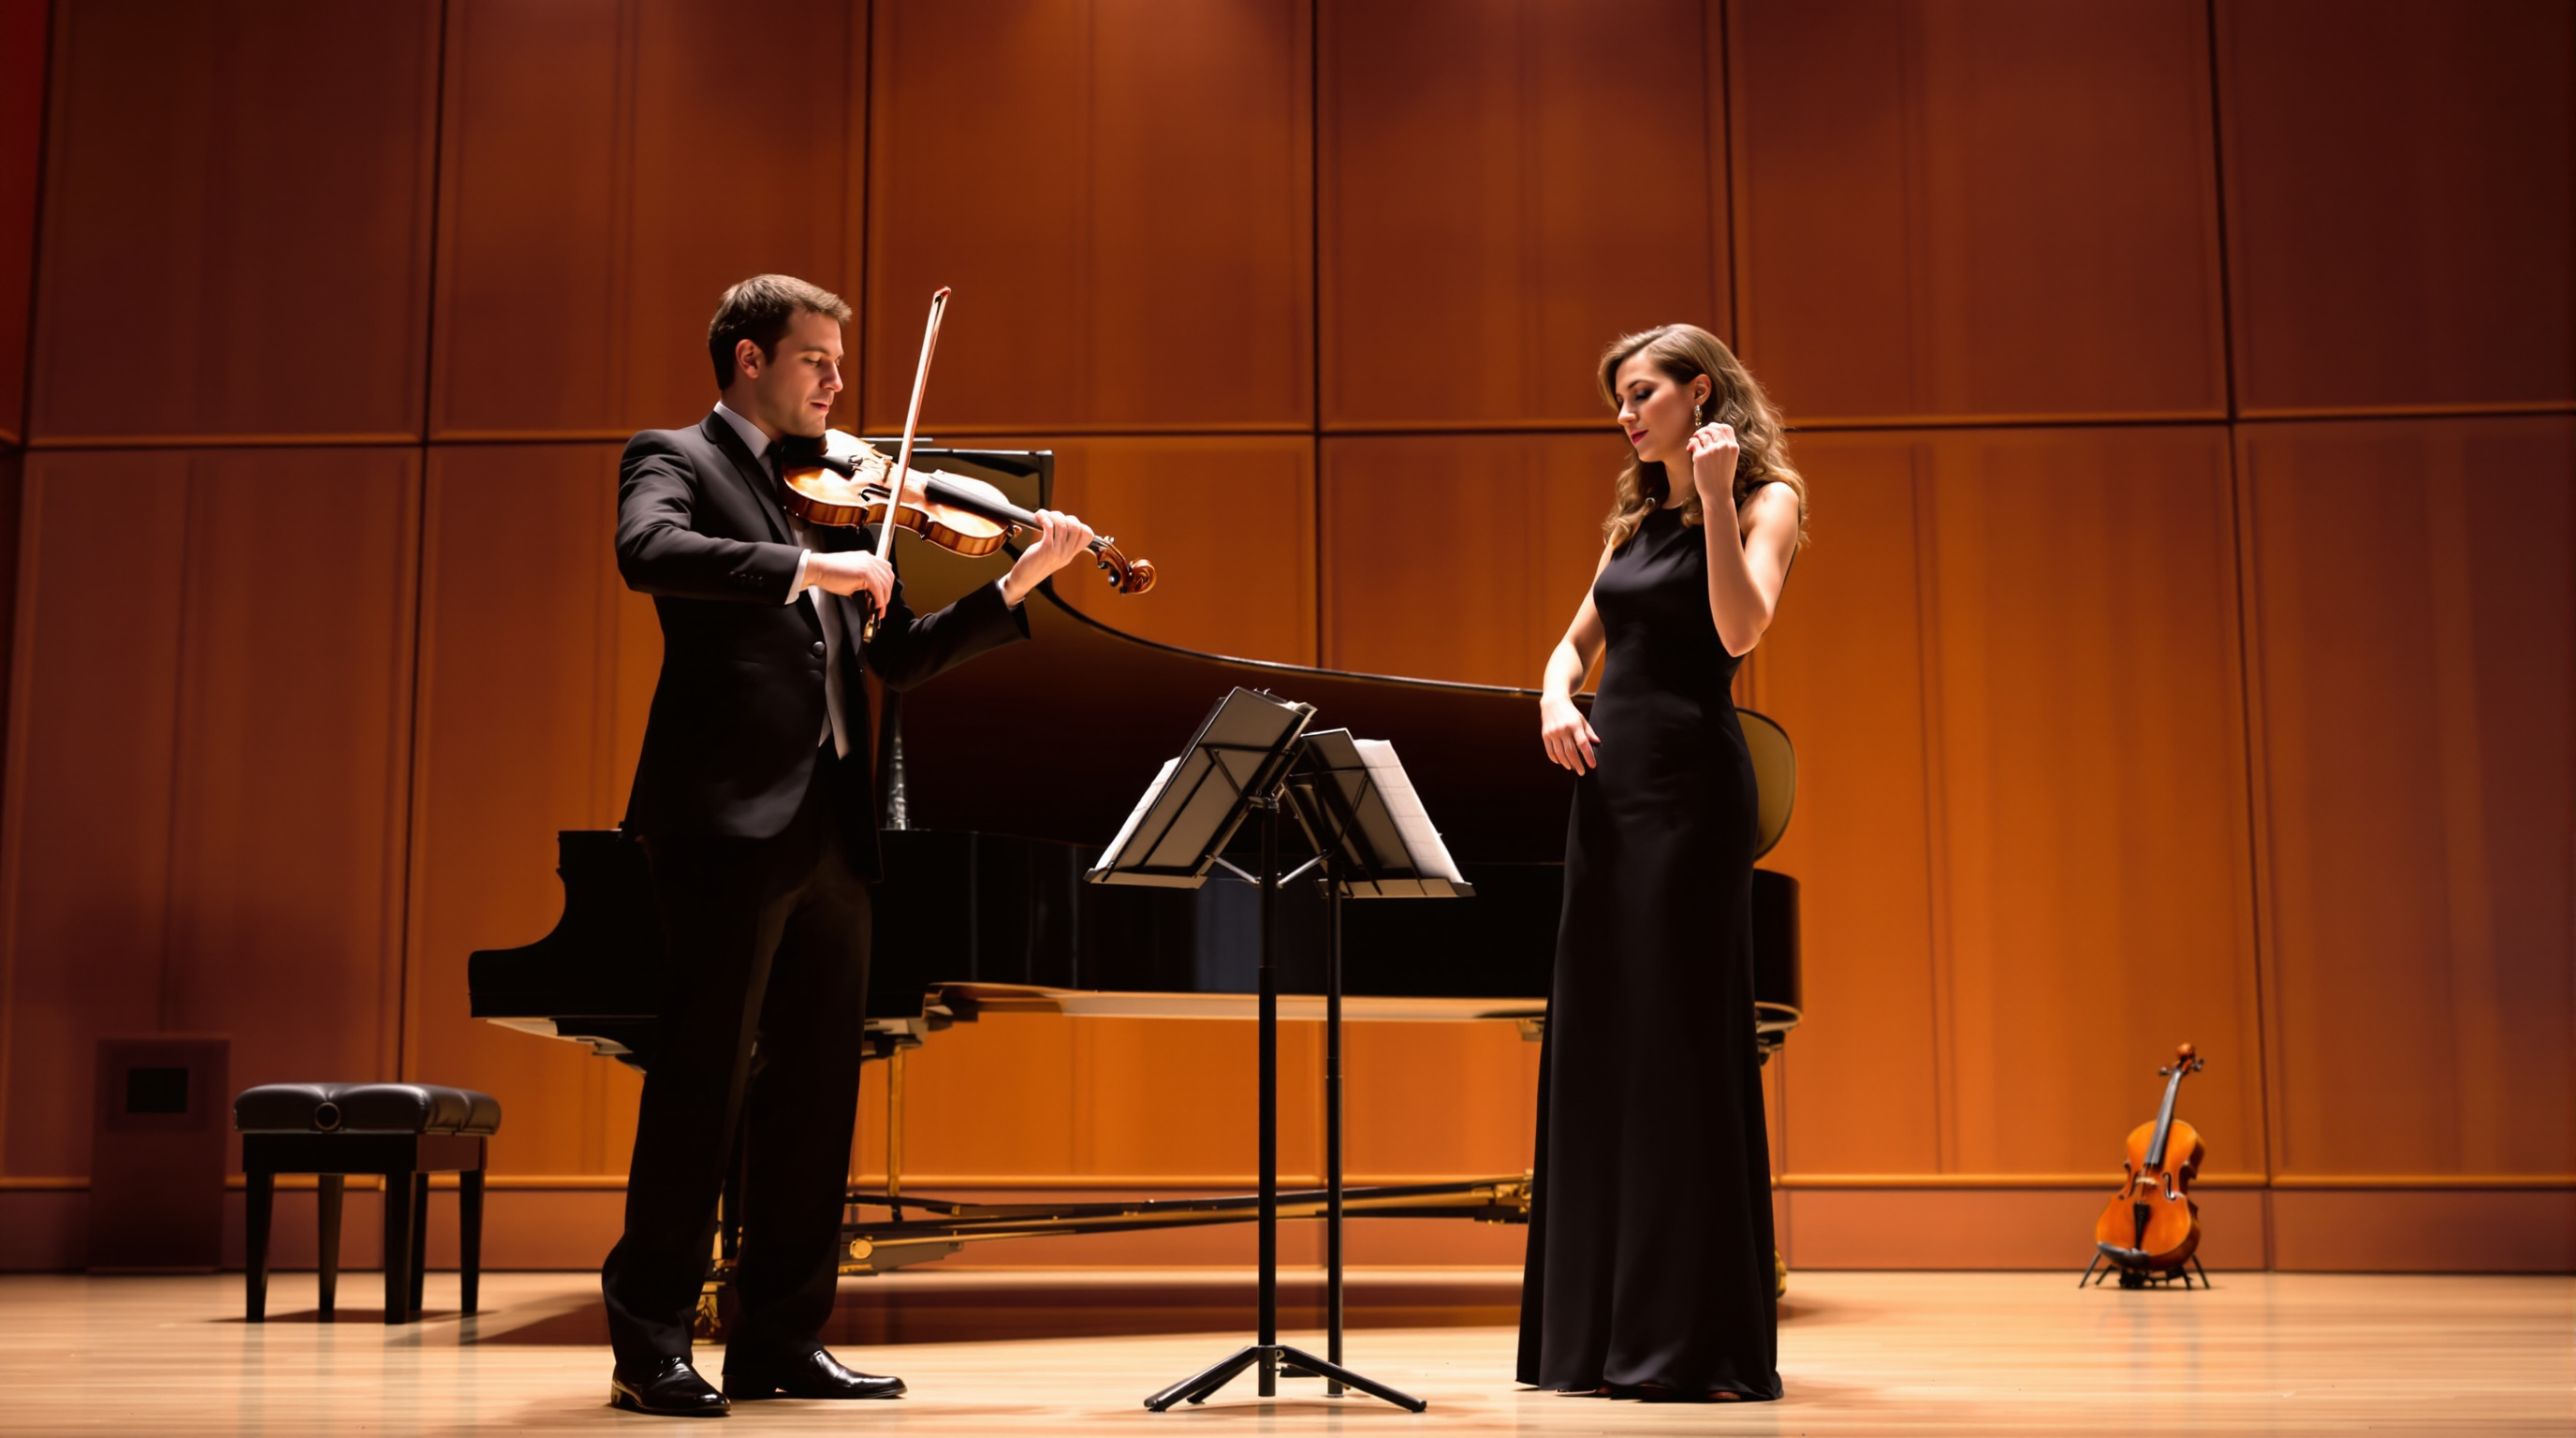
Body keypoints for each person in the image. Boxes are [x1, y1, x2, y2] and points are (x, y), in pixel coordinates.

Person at [601, 274, 1099, 1416]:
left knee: (818, 1095)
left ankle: (777, 1336)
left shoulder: (832, 492)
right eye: (815, 359)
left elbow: (897, 659)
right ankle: (650, 1343)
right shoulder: (674, 457)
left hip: (832, 826)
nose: (836, 380)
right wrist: (803, 568)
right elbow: (649, 553)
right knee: (700, 1082)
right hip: (722, 823)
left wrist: (1018, 580)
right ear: (746, 359)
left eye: (837, 360)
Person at [1518, 323, 1807, 1402]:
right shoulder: (1632, 524)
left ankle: (1685, 1340)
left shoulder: (1764, 502)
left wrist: (1722, 496)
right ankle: (1587, 1340)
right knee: (1601, 1048)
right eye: (1619, 402)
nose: (1625, 416)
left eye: (1641, 394)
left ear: (1701, 393)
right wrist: (1554, 695)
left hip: (1690, 795)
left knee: (1679, 1051)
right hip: (1607, 796)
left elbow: (1738, 632)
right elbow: (1570, 645)